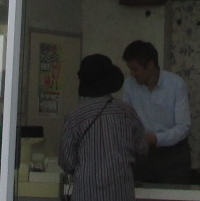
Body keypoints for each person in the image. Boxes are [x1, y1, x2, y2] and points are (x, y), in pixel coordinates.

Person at [59, 55, 147, 201]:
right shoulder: (126, 112)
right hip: (121, 193)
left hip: (85, 194)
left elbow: (66, 161)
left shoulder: (74, 116)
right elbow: (142, 149)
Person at [120, 41, 190, 185]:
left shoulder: (176, 84)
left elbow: (184, 127)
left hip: (174, 155)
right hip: (143, 155)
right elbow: (125, 119)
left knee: (174, 195)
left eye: (135, 69)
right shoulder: (129, 85)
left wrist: (156, 138)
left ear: (150, 65)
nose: (132, 74)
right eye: (130, 69)